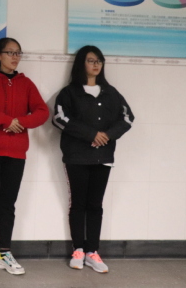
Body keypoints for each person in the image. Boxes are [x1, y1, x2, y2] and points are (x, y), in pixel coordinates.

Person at [0, 37, 49, 275]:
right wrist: (6, 121)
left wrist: (20, 122)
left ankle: (5, 252)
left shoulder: (26, 83)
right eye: (10, 52)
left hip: (16, 153)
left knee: (8, 204)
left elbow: (42, 112)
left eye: (18, 53)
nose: (15, 57)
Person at [53, 45, 134, 273]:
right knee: (78, 204)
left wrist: (107, 135)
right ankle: (78, 250)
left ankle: (92, 252)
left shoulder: (111, 92)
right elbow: (59, 118)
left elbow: (127, 118)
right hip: (77, 157)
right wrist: (91, 134)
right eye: (91, 60)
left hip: (103, 157)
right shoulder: (69, 92)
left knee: (95, 206)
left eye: (99, 60)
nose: (96, 64)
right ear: (81, 63)